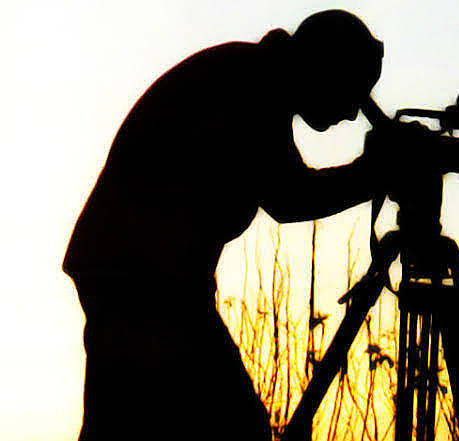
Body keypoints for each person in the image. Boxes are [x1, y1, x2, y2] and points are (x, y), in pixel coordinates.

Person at [63, 9, 384, 441]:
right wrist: (375, 174)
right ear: (324, 69)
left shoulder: (252, 75)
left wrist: (372, 172)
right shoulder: (252, 86)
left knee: (129, 422)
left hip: (142, 274)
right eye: (351, 94)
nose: (351, 114)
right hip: (144, 278)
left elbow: (285, 192)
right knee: (225, 425)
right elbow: (290, 197)